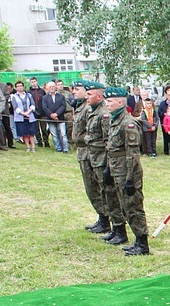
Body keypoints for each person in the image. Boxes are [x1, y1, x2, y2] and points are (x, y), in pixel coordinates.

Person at [103, 87, 150, 255]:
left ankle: (142, 242)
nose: (106, 104)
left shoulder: (127, 123)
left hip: (127, 171)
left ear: (121, 102)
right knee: (124, 205)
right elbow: (111, 148)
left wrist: (130, 178)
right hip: (117, 169)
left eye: (110, 101)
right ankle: (135, 239)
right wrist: (109, 168)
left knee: (133, 206)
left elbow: (132, 154)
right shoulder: (114, 120)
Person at [84, 81, 126, 240]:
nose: (86, 97)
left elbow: (109, 141)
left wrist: (108, 164)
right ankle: (113, 226)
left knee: (111, 194)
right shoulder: (94, 111)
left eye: (90, 94)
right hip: (96, 158)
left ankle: (119, 228)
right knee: (104, 193)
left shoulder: (104, 114)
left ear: (99, 95)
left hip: (104, 159)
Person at [71, 80, 106, 233]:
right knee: (90, 188)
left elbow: (93, 132)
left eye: (77, 89)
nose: (73, 91)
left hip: (90, 151)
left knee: (95, 187)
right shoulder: (80, 107)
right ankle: (102, 217)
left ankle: (105, 219)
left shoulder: (88, 108)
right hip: (83, 151)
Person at [41, 81, 69, 153]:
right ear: (47, 88)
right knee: (54, 135)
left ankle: (65, 149)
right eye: (50, 87)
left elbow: (63, 106)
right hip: (50, 119)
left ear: (55, 87)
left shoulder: (61, 96)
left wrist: (56, 114)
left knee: (63, 134)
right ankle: (58, 148)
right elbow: (45, 108)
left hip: (60, 118)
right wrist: (51, 115)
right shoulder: (45, 97)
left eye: (53, 86)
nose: (51, 88)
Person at [10, 81, 37, 152]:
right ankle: (27, 147)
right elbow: (15, 107)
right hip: (20, 117)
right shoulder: (14, 96)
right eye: (18, 86)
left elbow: (33, 104)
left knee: (31, 132)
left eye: (21, 85)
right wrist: (24, 114)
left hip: (30, 116)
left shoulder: (29, 95)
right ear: (16, 88)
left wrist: (28, 112)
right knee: (24, 133)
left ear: (23, 86)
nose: (20, 87)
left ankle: (33, 147)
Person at [28, 77, 49, 148]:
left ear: (37, 82)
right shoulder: (29, 92)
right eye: (32, 82)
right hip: (34, 113)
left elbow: (45, 101)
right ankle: (39, 141)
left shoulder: (42, 91)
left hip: (42, 113)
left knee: (44, 128)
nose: (34, 83)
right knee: (36, 129)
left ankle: (46, 141)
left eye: (34, 81)